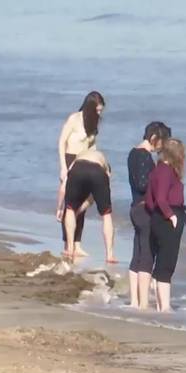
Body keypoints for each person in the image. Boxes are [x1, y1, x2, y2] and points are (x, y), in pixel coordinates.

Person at [127, 122, 171, 309]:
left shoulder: (132, 153)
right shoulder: (145, 156)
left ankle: (134, 301)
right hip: (145, 209)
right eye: (162, 142)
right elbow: (144, 184)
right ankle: (143, 303)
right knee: (146, 255)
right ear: (154, 139)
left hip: (135, 207)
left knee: (137, 254)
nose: (162, 147)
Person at [56, 91, 105, 257]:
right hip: (70, 160)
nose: (99, 114)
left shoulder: (93, 122)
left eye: (101, 111)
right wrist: (63, 167)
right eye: (97, 110)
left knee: (82, 205)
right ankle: (67, 243)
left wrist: (98, 162)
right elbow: (62, 142)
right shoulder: (74, 119)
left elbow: (92, 146)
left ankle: (77, 244)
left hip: (85, 162)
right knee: (70, 203)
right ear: (90, 107)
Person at [145, 138, 186, 313]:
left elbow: (149, 200)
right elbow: (161, 199)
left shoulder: (157, 171)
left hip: (158, 217)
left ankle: (161, 305)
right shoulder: (165, 171)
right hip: (167, 218)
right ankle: (165, 306)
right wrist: (171, 216)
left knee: (162, 262)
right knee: (167, 263)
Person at [60, 148, 116, 263]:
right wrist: (82, 208)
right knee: (106, 214)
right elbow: (94, 197)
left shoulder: (78, 158)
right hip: (97, 172)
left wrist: (60, 208)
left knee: (70, 209)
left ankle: (70, 248)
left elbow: (63, 188)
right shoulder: (104, 165)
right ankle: (109, 255)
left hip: (78, 169)